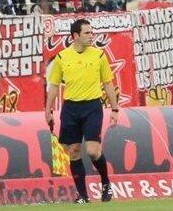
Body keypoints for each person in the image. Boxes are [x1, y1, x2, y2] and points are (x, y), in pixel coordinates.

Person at [45, 19, 119, 204]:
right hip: (70, 108)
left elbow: (108, 84)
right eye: (87, 33)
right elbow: (53, 86)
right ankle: (83, 196)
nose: (91, 35)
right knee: (74, 151)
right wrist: (48, 111)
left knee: (93, 151)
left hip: (92, 107)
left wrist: (115, 108)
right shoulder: (62, 58)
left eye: (91, 32)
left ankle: (105, 182)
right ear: (75, 36)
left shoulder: (99, 56)